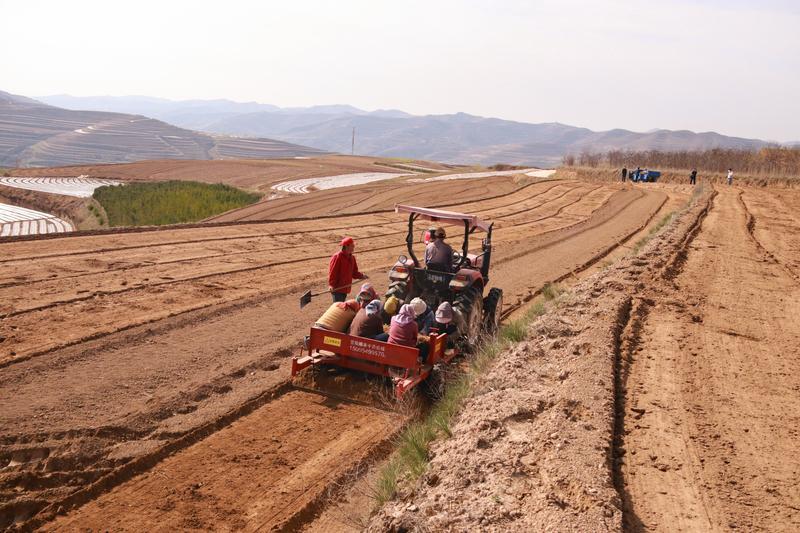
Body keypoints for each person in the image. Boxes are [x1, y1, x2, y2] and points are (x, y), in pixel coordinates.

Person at [328, 236, 366, 302]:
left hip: (345, 288)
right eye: (352, 246)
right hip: (337, 288)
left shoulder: (352, 258)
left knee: (340, 306)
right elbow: (333, 272)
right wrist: (331, 285)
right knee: (338, 307)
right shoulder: (337, 257)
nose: (354, 247)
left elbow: (354, 273)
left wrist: (362, 276)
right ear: (346, 246)